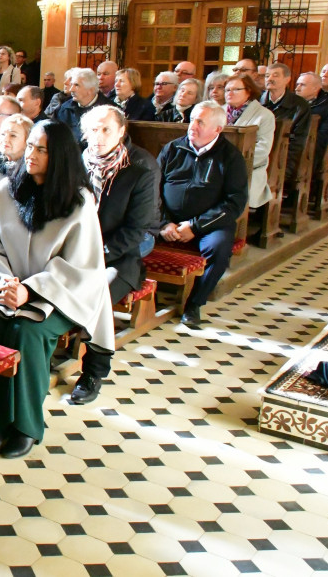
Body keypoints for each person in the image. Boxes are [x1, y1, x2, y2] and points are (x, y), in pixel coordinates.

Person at [0, 121, 114, 459]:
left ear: (59, 155)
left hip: (60, 294)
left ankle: (25, 426)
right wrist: (6, 282)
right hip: (7, 287)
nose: (30, 154)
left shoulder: (78, 202)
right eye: (29, 145)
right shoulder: (6, 190)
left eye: (41, 149)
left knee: (27, 332)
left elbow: (79, 265)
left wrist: (30, 291)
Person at [71, 106, 157, 405]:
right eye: (93, 129)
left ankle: (93, 370)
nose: (99, 136)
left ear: (122, 131)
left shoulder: (139, 170)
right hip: (74, 253)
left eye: (106, 129)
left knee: (99, 294)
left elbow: (136, 230)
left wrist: (97, 256)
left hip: (117, 258)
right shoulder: (76, 164)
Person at [157, 102, 249, 325]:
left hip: (209, 223)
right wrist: (164, 222)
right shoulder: (173, 148)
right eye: (192, 120)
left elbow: (234, 202)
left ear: (217, 129)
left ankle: (194, 304)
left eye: (200, 122)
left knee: (218, 249)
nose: (192, 126)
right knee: (131, 233)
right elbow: (151, 189)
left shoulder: (230, 157)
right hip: (167, 220)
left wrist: (195, 226)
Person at [262, 62, 312, 203]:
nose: (269, 78)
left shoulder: (300, 105)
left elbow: (298, 142)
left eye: (275, 75)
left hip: (282, 157)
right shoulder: (256, 102)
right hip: (260, 154)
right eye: (267, 75)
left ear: (287, 79)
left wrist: (282, 166)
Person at [224, 74, 275, 209]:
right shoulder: (218, 111)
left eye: (236, 89)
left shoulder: (264, 115)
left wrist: (233, 162)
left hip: (247, 167)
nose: (230, 93)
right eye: (227, 90)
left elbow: (262, 149)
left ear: (249, 90)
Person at [295, 71, 328, 201]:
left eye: (302, 85)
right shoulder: (292, 102)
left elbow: (326, 134)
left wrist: (303, 143)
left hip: (311, 147)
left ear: (315, 88)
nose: (297, 88)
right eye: (297, 84)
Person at [54, 68, 112, 144]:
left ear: (90, 90)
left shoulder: (109, 111)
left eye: (76, 85)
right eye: (71, 85)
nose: (71, 89)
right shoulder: (64, 109)